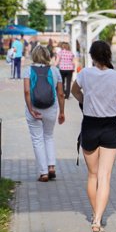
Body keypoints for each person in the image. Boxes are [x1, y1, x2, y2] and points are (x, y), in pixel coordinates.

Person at [71, 40, 116, 232]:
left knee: (92, 175)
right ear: (108, 55)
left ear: (92, 56)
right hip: (110, 127)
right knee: (105, 176)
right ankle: (97, 220)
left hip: (89, 125)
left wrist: (85, 100)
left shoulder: (84, 74)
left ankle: (95, 215)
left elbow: (74, 91)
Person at [23, 45, 65, 182]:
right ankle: (51, 166)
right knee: (49, 136)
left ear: (34, 56)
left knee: (37, 139)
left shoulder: (28, 70)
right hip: (50, 107)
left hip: (34, 107)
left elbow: (27, 92)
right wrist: (62, 112)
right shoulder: (54, 70)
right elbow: (60, 93)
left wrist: (30, 110)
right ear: (48, 56)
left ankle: (43, 173)